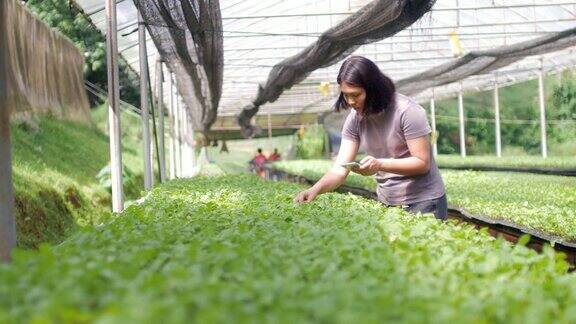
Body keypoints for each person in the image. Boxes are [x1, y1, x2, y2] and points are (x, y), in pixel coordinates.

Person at [294, 56, 447, 220]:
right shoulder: (355, 118)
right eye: (345, 95)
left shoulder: (407, 111)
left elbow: (422, 163)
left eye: (356, 95)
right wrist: (314, 190)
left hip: (424, 200)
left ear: (372, 88)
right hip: (388, 200)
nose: (350, 101)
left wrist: (379, 164)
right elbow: (340, 169)